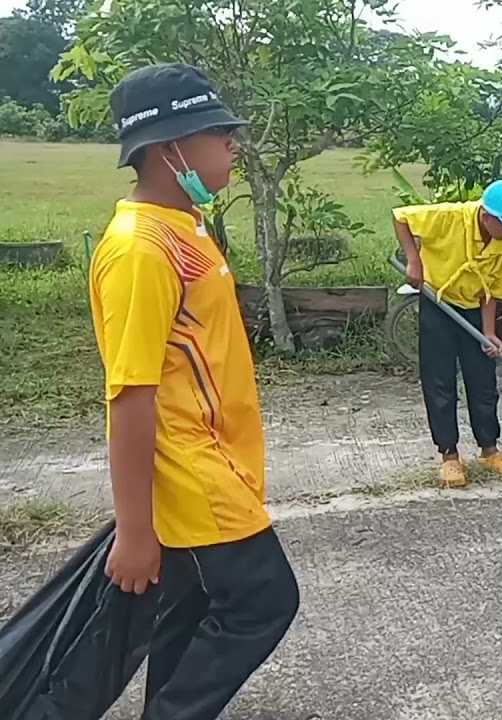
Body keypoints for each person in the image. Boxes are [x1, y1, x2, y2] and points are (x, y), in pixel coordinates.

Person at [89, 63, 298, 720]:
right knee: (265, 601)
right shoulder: (141, 249)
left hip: (217, 458)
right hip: (192, 468)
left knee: (192, 610)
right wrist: (134, 528)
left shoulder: (186, 226)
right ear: (166, 149)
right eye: (215, 130)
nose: (233, 142)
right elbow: (129, 395)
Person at [394, 179, 502, 487]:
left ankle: (490, 449)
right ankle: (449, 456)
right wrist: (413, 259)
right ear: (487, 217)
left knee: (483, 380)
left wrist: (488, 332)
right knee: (440, 382)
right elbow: (401, 217)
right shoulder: (448, 217)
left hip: (474, 310)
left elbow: (492, 291)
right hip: (438, 304)